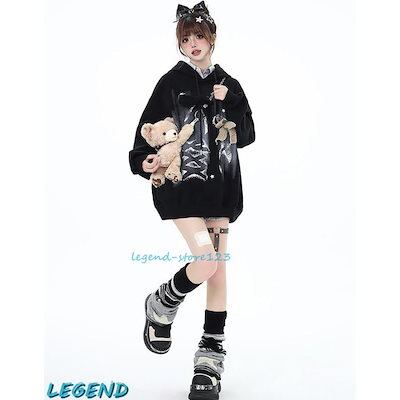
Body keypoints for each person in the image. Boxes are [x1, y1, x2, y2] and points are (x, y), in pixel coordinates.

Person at [128, 2, 255, 398]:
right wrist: (144, 160)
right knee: (206, 260)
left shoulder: (230, 83)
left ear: (211, 38)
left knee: (217, 272)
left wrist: (230, 100)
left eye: (199, 36)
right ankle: (163, 302)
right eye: (186, 39)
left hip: (221, 190)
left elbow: (247, 135)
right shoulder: (170, 82)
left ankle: (209, 361)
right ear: (180, 43)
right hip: (181, 188)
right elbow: (145, 131)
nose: (193, 44)